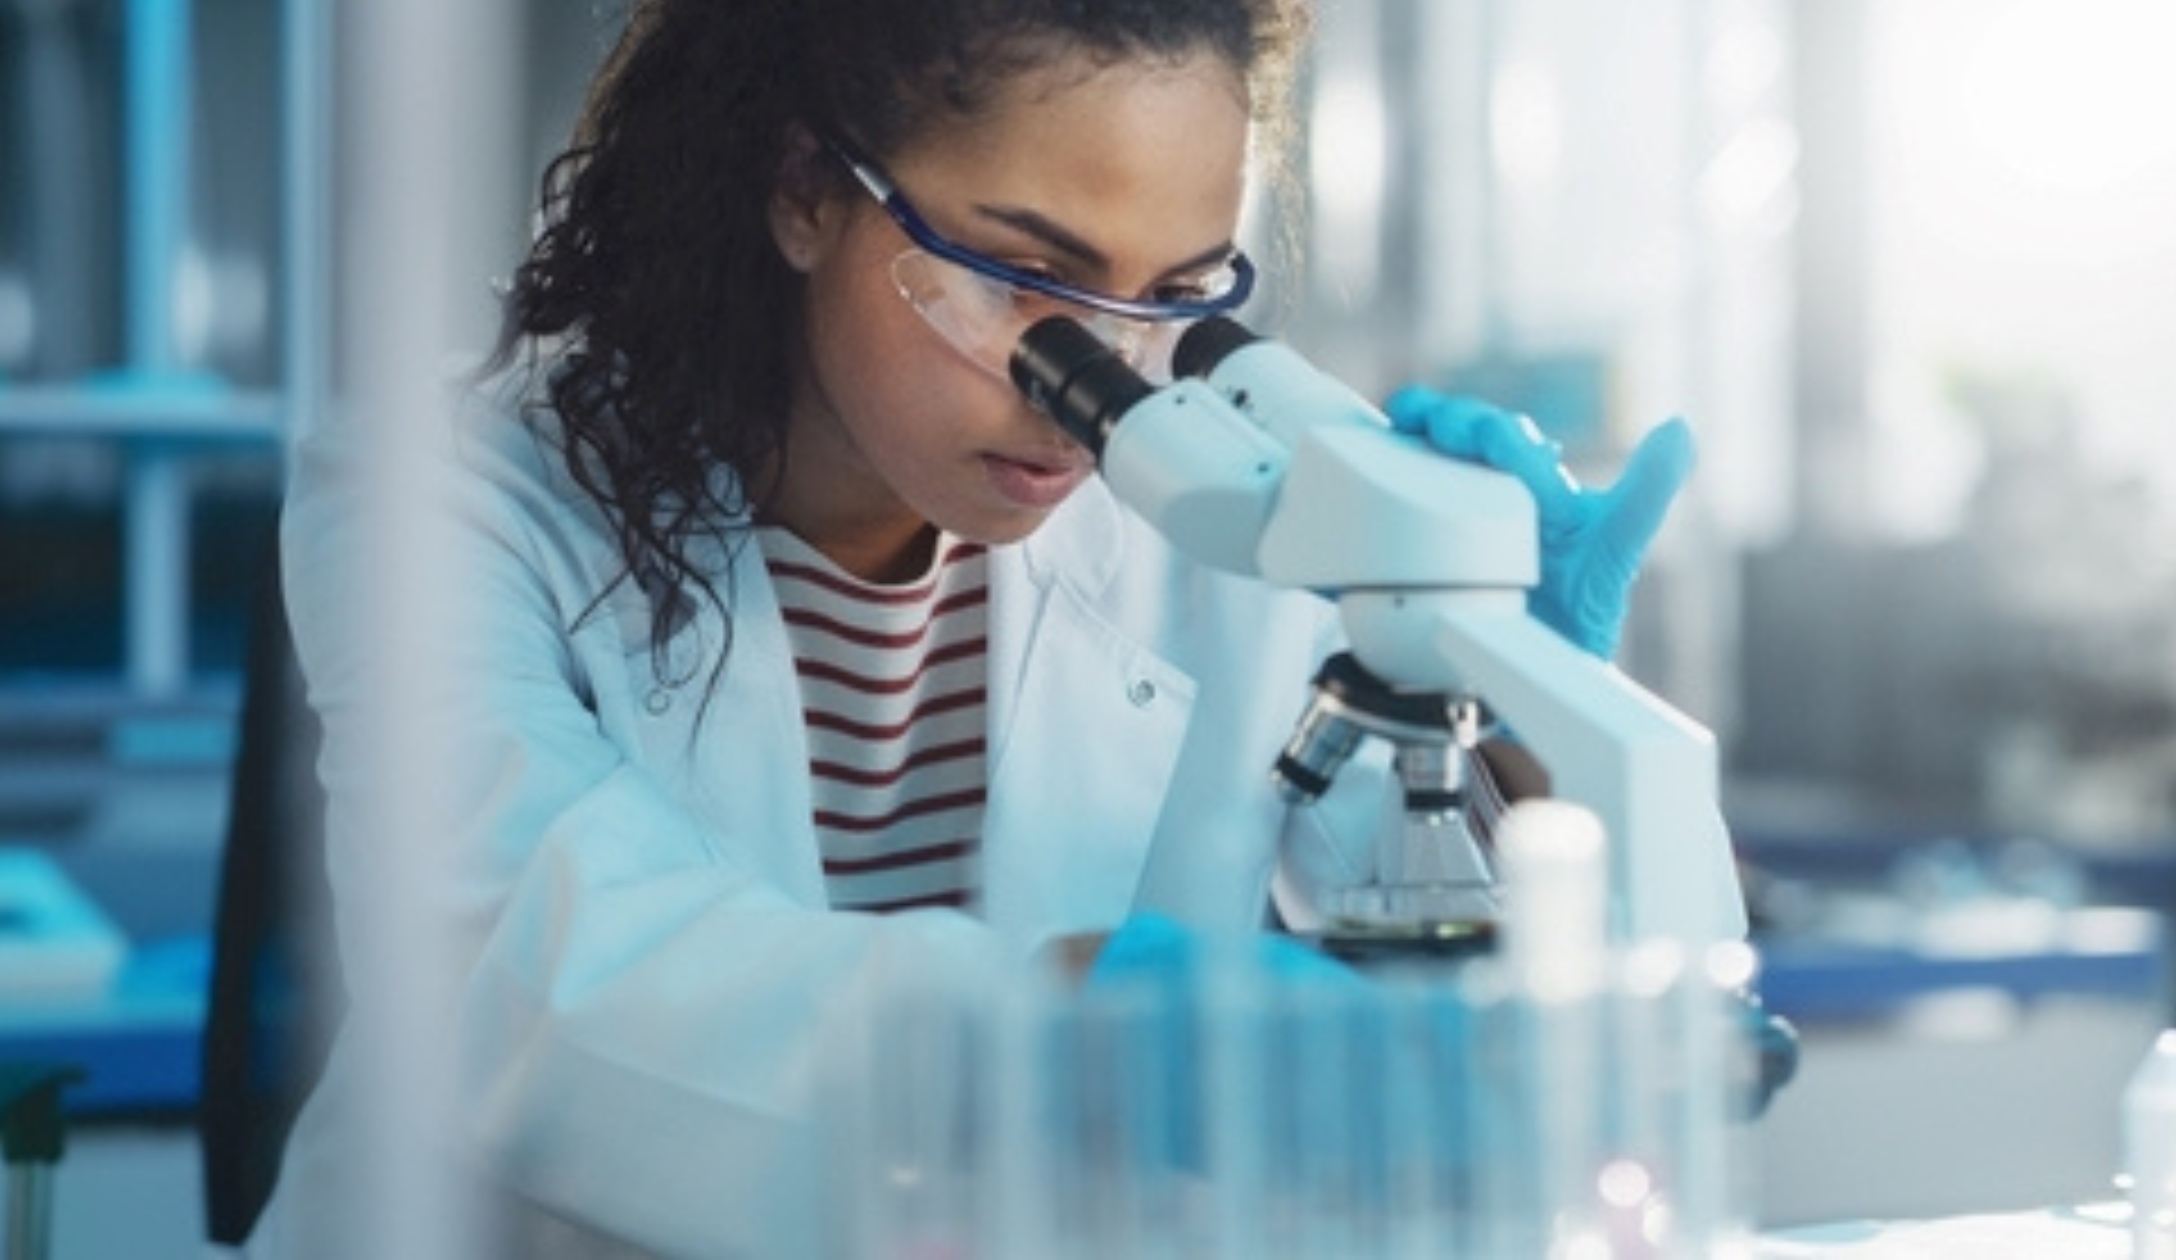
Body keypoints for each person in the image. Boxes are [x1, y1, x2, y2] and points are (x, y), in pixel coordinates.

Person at [258, 0, 1735, 1254]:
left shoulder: (1221, 525)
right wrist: (1083, 1035)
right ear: (803, 193)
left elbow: (1503, 1008)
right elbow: (532, 984)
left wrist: (1518, 693)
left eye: (1172, 298)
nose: (1094, 381)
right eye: (1027, 276)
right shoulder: (451, 493)